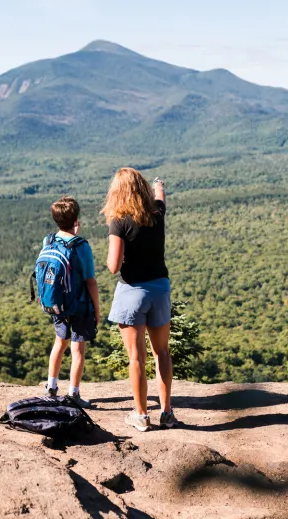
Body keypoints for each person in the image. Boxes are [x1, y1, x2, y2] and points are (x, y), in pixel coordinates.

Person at [103, 168, 177, 432]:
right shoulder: (157, 212)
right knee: (162, 352)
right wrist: (159, 184)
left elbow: (113, 266)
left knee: (136, 358)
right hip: (159, 288)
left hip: (132, 291)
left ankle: (142, 415)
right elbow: (161, 196)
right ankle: (167, 412)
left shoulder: (119, 223)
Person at [43, 196, 100, 409]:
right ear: (76, 219)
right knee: (78, 350)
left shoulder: (48, 241)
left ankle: (51, 387)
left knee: (59, 343)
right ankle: (74, 394)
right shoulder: (81, 246)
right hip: (80, 305)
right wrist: (97, 309)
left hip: (58, 304)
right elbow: (90, 281)